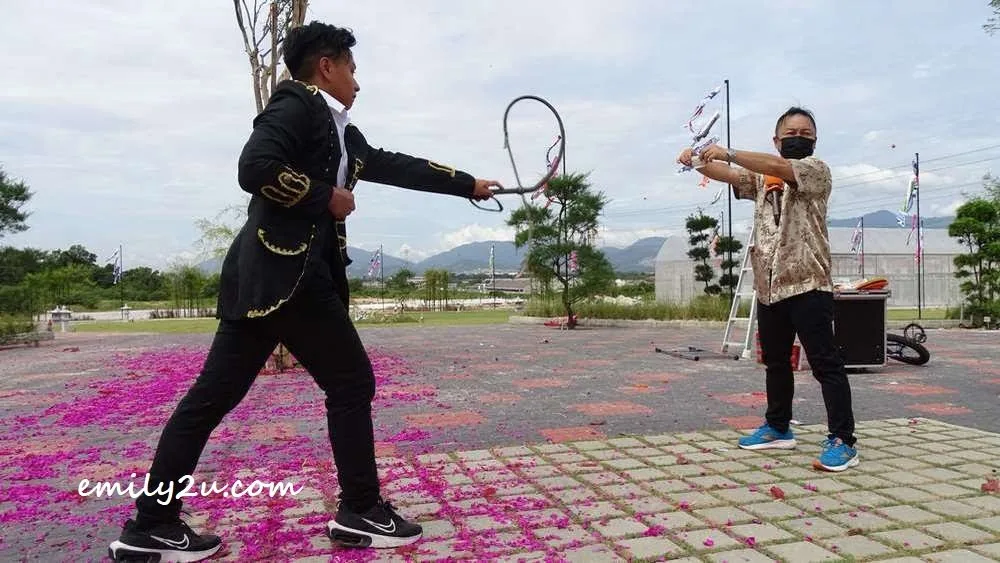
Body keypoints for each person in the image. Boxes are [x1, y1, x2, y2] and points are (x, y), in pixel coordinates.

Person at [109, 21, 500, 561]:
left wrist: (468, 183)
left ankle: (150, 525)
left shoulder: (345, 134)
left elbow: (394, 165)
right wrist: (324, 197)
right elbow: (254, 167)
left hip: (264, 281)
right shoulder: (294, 104)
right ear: (327, 66)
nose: (359, 81)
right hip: (291, 276)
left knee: (210, 399)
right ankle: (361, 510)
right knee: (350, 381)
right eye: (353, 69)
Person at [676, 106, 859, 473]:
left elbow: (775, 167)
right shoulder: (761, 180)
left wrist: (728, 150)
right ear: (776, 140)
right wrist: (695, 161)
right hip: (769, 286)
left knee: (825, 364)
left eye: (806, 134)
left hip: (809, 282)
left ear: (815, 141)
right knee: (776, 363)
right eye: (791, 133)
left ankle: (843, 440)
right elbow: (728, 174)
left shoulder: (816, 170)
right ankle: (778, 426)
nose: (798, 138)